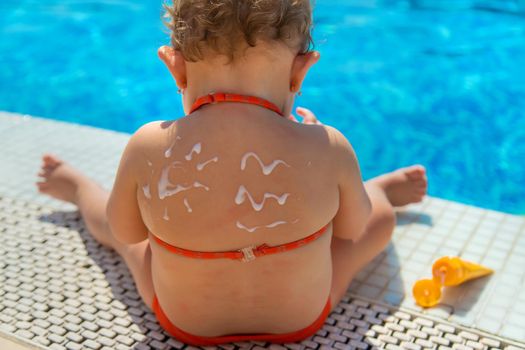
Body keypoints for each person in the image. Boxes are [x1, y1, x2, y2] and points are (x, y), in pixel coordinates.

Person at [36, 0, 427, 345]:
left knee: (123, 240)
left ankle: (77, 188)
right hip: (299, 320)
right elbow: (351, 229)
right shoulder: (328, 145)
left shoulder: (147, 145)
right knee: (376, 219)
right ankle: (379, 190)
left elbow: (125, 231)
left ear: (175, 68)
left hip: (185, 323)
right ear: (301, 71)